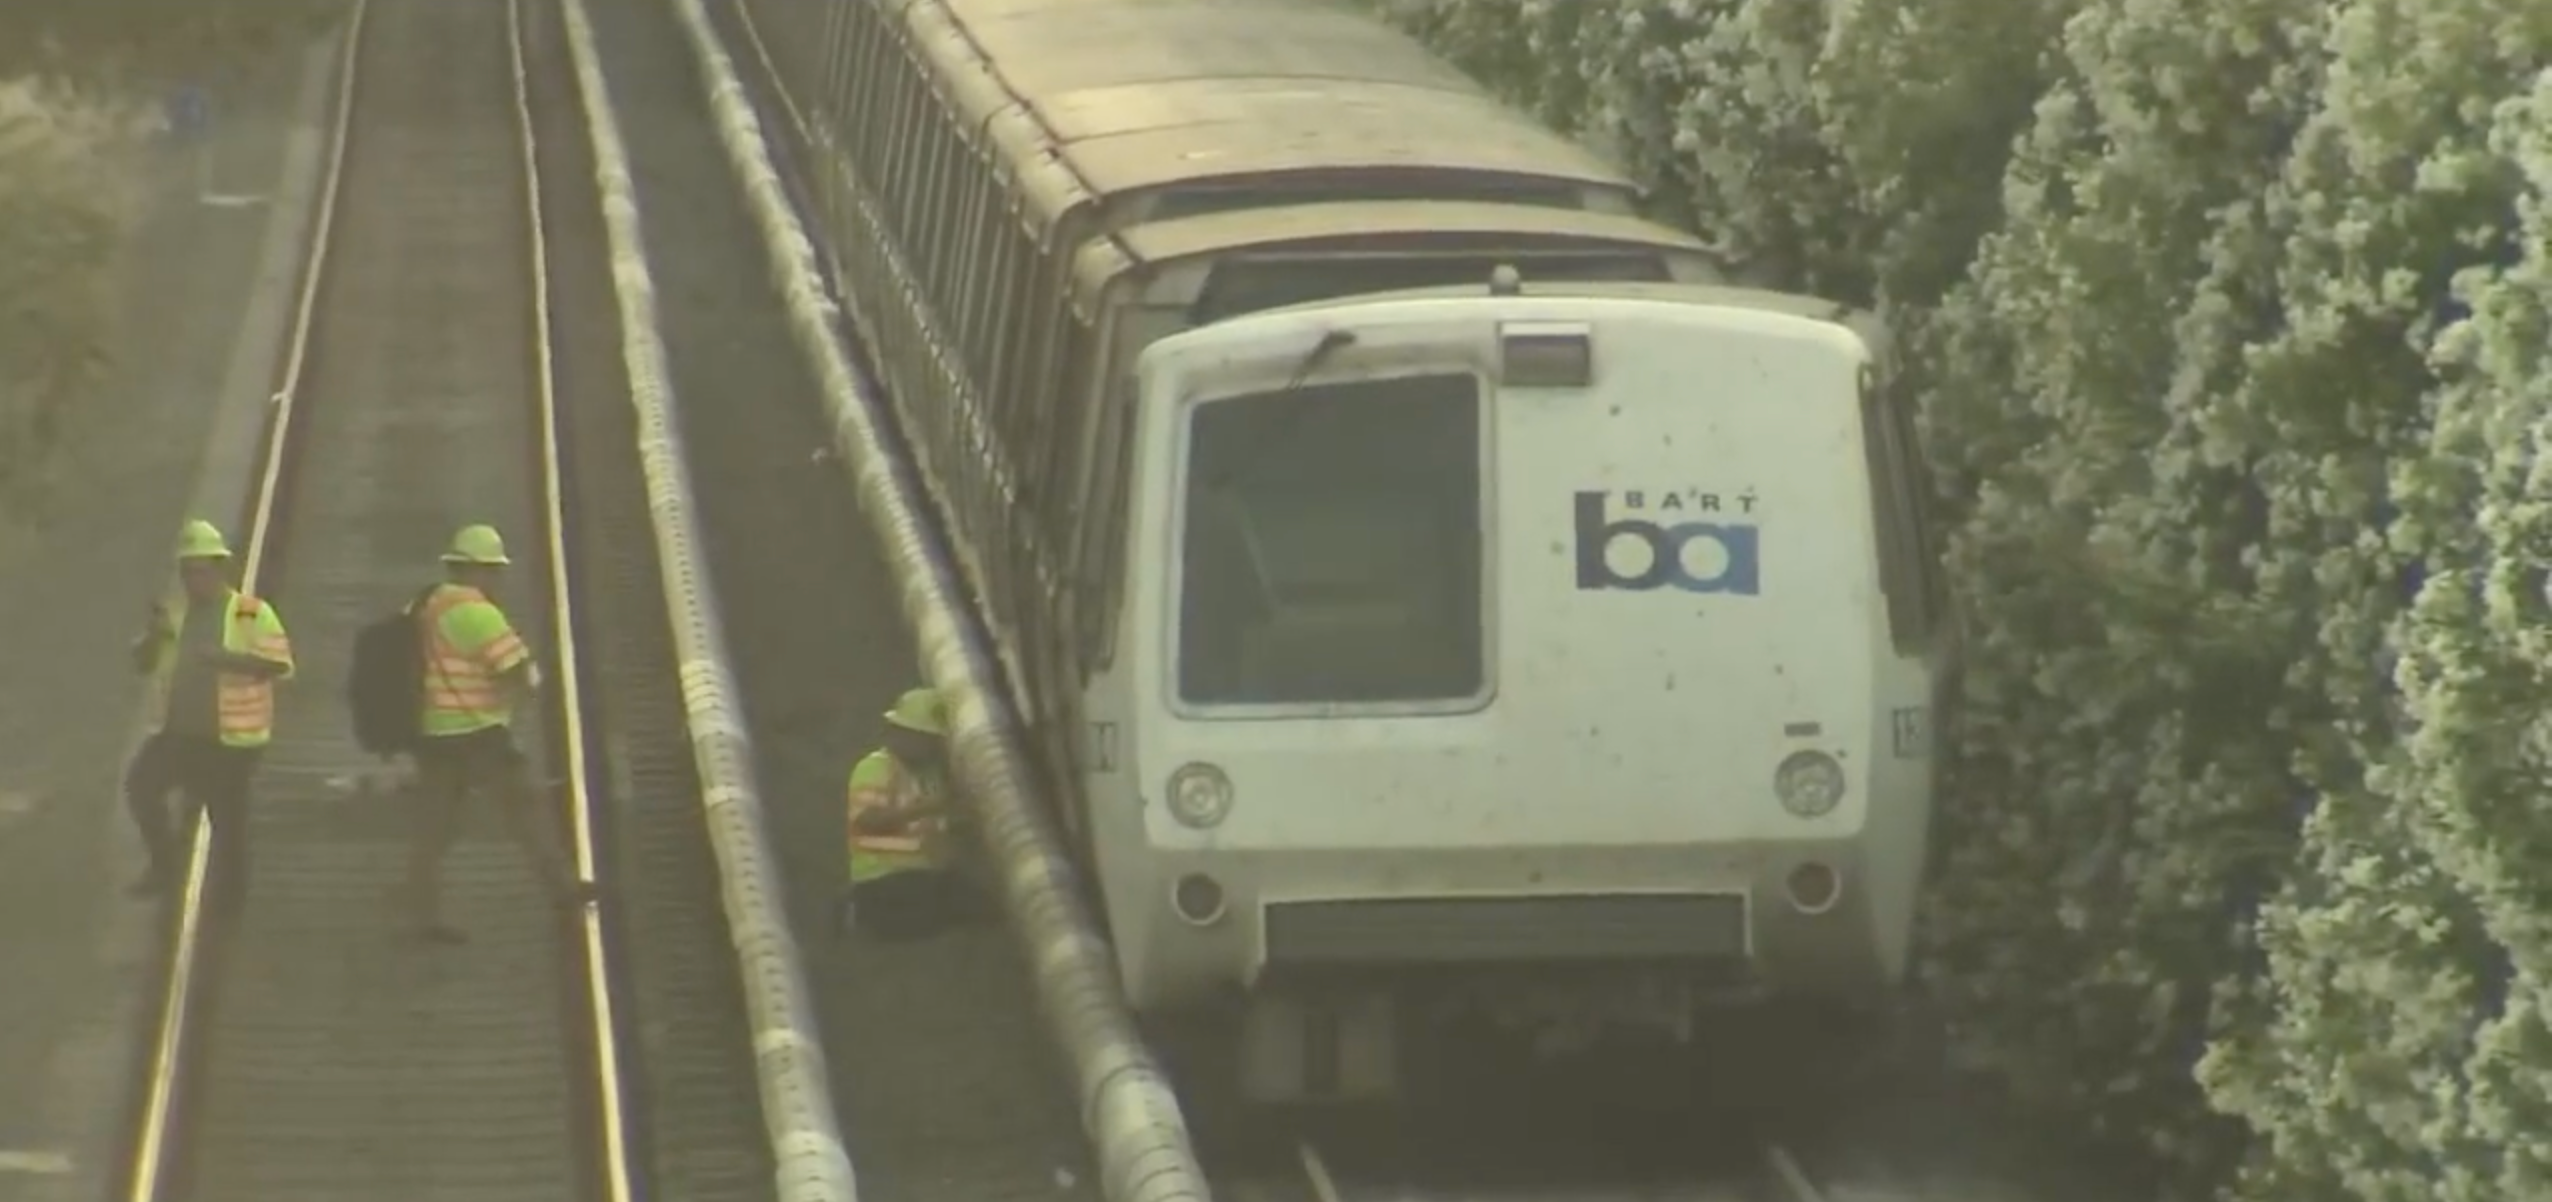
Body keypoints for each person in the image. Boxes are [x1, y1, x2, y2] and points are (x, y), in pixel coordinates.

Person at [404, 523, 596, 944]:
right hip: (479, 732)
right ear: (478, 570)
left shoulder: (425, 604)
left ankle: (421, 916)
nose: (497, 579)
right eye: (493, 570)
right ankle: (562, 888)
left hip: (434, 732)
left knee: (434, 828)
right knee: (525, 808)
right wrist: (527, 687)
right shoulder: (478, 613)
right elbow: (514, 668)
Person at [125, 518, 294, 904]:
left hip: (231, 740)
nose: (192, 581)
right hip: (179, 734)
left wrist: (227, 659)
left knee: (228, 821)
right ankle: (165, 866)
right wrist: (153, 636)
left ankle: (230, 898)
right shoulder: (175, 613)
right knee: (141, 787)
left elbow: (279, 664)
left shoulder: (251, 613)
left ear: (220, 569)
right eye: (187, 572)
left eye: (200, 571)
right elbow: (143, 664)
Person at [838, 685, 983, 941]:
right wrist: (930, 807)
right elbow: (867, 822)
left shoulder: (929, 776)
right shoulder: (875, 768)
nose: (933, 747)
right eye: (928, 740)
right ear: (904, 734)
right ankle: (857, 915)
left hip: (926, 876)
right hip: (882, 880)